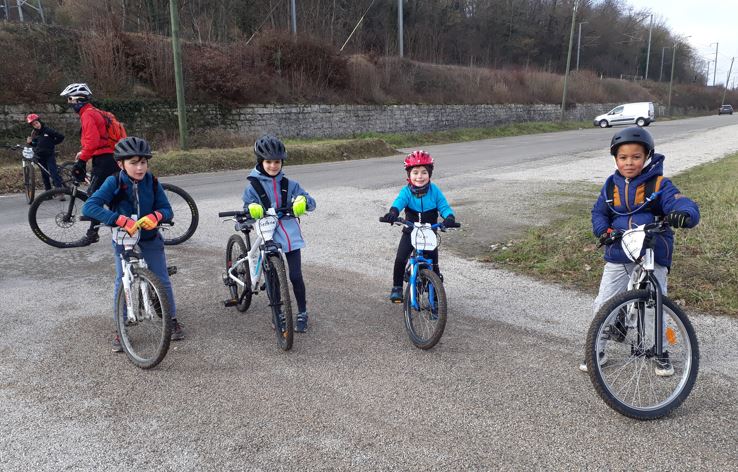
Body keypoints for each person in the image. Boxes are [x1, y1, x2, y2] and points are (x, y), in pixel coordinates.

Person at [580, 127, 700, 376]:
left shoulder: (658, 184)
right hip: (619, 251)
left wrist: (684, 213)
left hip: (652, 251)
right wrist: (603, 231)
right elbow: (599, 212)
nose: (629, 162)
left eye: (636, 157)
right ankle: (596, 349)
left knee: (654, 303)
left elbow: (679, 201)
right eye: (623, 157)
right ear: (615, 159)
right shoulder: (610, 186)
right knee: (604, 302)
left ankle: (659, 350)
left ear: (646, 157)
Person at [82, 136, 184, 352]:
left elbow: (167, 210)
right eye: (134, 163)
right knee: (122, 280)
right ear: (121, 164)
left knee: (162, 279)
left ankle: (171, 319)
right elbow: (89, 207)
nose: (140, 168)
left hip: (149, 238)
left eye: (143, 162)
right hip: (123, 239)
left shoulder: (152, 182)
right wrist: (118, 219)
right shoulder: (113, 182)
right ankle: (121, 327)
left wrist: (156, 216)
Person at [242, 134, 316, 333]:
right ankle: (277, 312)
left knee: (296, 276)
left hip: (290, 235)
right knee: (273, 277)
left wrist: (302, 201)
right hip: (268, 234)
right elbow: (246, 208)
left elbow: (312, 203)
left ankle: (302, 311)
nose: (273, 166)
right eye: (268, 162)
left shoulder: (290, 184)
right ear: (261, 162)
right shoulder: (253, 187)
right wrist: (251, 208)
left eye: (277, 162)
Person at [382, 150, 456, 303]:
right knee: (400, 259)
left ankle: (436, 294)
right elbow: (399, 202)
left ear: (429, 174)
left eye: (424, 172)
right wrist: (393, 213)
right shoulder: (406, 192)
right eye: (415, 173)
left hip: (429, 232)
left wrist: (449, 217)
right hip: (410, 231)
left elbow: (444, 206)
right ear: (409, 175)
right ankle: (397, 287)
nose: (419, 176)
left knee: (434, 264)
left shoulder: (434, 191)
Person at [60, 82, 118, 244]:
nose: (69, 103)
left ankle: (93, 234)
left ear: (78, 100)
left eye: (70, 99)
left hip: (105, 160)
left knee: (94, 196)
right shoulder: (94, 112)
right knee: (109, 194)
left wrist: (82, 161)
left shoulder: (87, 115)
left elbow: (93, 142)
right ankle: (116, 221)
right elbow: (96, 140)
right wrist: (83, 152)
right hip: (109, 156)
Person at [26, 113, 65, 196]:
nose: (36, 125)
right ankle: (49, 193)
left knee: (53, 172)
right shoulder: (34, 134)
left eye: (36, 123)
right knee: (44, 175)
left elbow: (61, 136)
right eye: (34, 125)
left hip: (49, 155)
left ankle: (60, 191)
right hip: (40, 156)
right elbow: (35, 144)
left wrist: (52, 143)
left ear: (39, 121)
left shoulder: (48, 130)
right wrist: (30, 143)